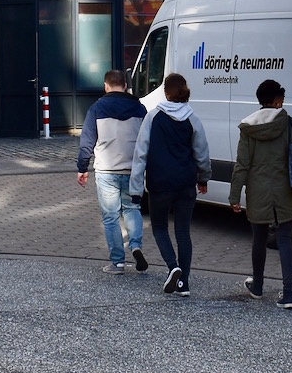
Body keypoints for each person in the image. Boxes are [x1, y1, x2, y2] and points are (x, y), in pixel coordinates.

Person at [129, 73, 210, 296]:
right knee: (183, 232)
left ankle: (173, 266)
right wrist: (203, 177)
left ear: (165, 92)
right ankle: (184, 283)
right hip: (186, 183)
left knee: (159, 227)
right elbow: (202, 152)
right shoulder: (192, 118)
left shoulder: (153, 116)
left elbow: (140, 154)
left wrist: (136, 190)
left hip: (160, 183)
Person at [230, 78, 292, 309]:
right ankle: (289, 294)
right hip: (286, 190)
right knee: (285, 240)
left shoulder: (248, 127)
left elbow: (242, 164)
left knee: (259, 239)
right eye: (282, 97)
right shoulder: (289, 124)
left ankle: (258, 286)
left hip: (258, 191)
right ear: (276, 100)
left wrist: (234, 195)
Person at [76, 68, 149, 274]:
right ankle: (136, 246)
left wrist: (82, 168)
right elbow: (147, 140)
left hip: (106, 170)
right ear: (125, 86)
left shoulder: (97, 108)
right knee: (132, 208)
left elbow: (87, 142)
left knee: (110, 217)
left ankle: (117, 263)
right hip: (133, 169)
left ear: (106, 86)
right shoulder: (140, 109)